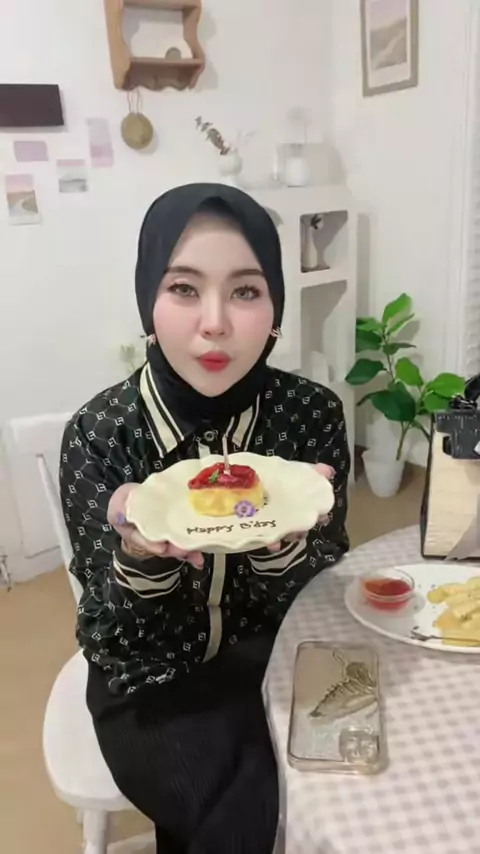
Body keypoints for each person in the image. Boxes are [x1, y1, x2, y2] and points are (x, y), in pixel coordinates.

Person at [60, 183, 350, 854]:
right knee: (242, 817)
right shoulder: (102, 434)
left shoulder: (310, 416)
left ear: (275, 308)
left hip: (276, 658)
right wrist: (141, 556)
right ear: (148, 302)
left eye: (245, 290)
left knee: (354, 781)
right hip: (150, 680)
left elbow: (320, 596)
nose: (215, 323)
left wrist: (284, 547)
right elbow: (110, 628)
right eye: (184, 288)